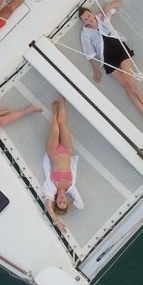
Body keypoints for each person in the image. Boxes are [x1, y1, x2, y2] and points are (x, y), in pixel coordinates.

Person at [78, 1, 143, 126]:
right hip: (107, 58)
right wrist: (95, 69)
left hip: (118, 48)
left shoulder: (102, 17)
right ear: (83, 22)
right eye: (85, 19)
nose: (88, 19)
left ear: (91, 13)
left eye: (89, 16)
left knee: (129, 77)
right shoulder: (85, 34)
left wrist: (106, 7)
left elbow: (118, 3)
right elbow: (89, 52)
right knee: (126, 86)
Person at [42, 99, 84, 233]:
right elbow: (81, 205)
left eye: (59, 202)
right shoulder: (71, 187)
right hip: (67, 149)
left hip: (53, 151)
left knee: (55, 130)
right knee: (62, 122)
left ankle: (54, 111)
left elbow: (48, 206)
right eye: (64, 202)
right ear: (66, 201)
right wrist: (70, 206)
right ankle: (62, 97)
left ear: (55, 200)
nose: (61, 200)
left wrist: (56, 221)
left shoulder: (51, 188)